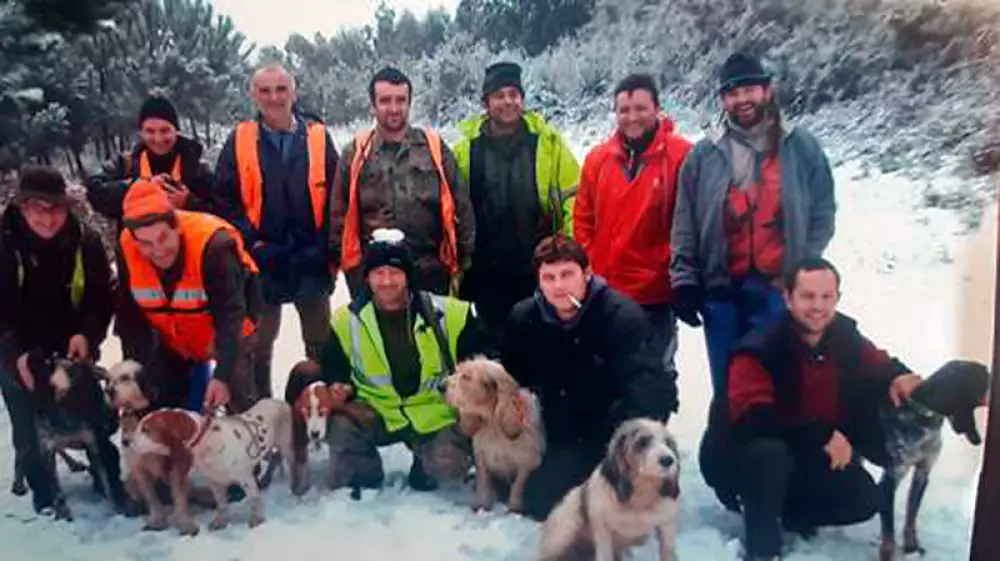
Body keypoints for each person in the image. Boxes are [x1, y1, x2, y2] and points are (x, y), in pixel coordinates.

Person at [703, 257, 923, 560]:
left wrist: (901, 375)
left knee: (863, 500)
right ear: (787, 298)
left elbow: (880, 364)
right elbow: (752, 420)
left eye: (826, 297)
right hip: (739, 459)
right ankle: (762, 546)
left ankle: (792, 512)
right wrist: (821, 435)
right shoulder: (758, 347)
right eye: (807, 296)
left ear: (837, 298)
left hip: (802, 451)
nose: (818, 307)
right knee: (766, 454)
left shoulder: (845, 335)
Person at [670, 52, 837, 396]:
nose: (741, 99)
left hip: (779, 291)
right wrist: (684, 280)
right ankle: (729, 449)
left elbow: (822, 212)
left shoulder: (800, 148)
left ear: (767, 91)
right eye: (731, 93)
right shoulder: (704, 156)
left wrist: (802, 267)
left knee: (780, 384)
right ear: (722, 101)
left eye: (749, 89)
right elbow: (685, 221)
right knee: (730, 387)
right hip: (721, 292)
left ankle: (778, 449)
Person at [284, 228, 483, 492]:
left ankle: (428, 465)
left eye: (395, 272)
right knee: (340, 427)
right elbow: (335, 369)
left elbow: (480, 365)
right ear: (367, 278)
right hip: (376, 412)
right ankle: (364, 472)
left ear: (408, 277)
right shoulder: (347, 321)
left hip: (434, 413)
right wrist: (340, 388)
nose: (386, 281)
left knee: (441, 472)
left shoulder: (450, 314)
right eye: (378, 273)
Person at [501, 235, 677, 521]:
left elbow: (650, 390)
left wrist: (621, 448)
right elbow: (512, 375)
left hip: (611, 428)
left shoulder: (621, 317)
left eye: (567, 275)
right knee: (538, 499)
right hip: (557, 425)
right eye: (549, 277)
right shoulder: (524, 318)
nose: (558, 286)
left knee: (597, 505)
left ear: (587, 272)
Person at [215, 63, 339, 400]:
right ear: (254, 95)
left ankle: (318, 408)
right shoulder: (239, 140)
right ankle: (263, 414)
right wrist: (250, 241)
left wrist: (323, 245)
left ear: (294, 92)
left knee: (320, 343)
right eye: (265, 91)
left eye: (281, 89)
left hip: (310, 259)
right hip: (260, 262)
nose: (274, 98)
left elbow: (337, 195)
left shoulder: (317, 136)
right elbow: (224, 199)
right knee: (257, 345)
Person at [0, 166, 118, 514]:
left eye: (55, 208)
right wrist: (16, 353)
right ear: (22, 207)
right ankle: (41, 487)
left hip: (71, 337)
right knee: (26, 412)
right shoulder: (4, 243)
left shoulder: (85, 239)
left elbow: (101, 295)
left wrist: (88, 334)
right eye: (38, 208)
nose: (48, 218)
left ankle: (104, 471)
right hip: (16, 336)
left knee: (94, 409)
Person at [452, 61, 579, 351]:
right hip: (486, 275)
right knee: (495, 355)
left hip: (538, 271)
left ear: (522, 99)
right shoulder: (465, 151)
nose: (508, 101)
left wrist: (568, 255)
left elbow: (576, 201)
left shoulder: (549, 144)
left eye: (514, 94)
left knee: (542, 352)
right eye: (499, 95)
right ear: (486, 102)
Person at [575, 73, 692, 380]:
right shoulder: (598, 159)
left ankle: (652, 429)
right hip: (606, 291)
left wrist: (665, 266)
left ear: (657, 108)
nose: (632, 117)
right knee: (605, 374)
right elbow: (583, 219)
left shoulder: (681, 156)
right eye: (624, 110)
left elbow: (689, 224)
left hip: (655, 293)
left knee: (653, 376)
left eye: (640, 108)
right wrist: (592, 263)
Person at [115, 180, 261, 413]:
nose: (158, 251)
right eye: (146, 244)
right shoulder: (126, 247)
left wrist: (222, 376)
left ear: (177, 226)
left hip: (228, 326)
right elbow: (130, 314)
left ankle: (253, 437)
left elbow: (230, 314)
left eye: (163, 238)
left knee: (238, 395)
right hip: (173, 333)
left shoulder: (214, 246)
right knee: (163, 395)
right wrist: (136, 370)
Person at [331, 66, 475, 298]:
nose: (394, 108)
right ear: (373, 105)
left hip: (430, 272)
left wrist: (463, 259)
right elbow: (339, 216)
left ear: (409, 103)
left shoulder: (435, 148)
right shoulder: (356, 153)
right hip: (376, 277)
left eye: (401, 100)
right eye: (385, 100)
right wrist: (354, 274)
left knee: (431, 334)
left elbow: (462, 205)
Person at [86, 95, 215, 232]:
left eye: (165, 130)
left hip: (188, 248)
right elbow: (94, 191)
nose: (158, 139)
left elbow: (222, 212)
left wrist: (190, 203)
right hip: (136, 250)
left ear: (176, 130)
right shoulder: (126, 164)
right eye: (150, 131)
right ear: (141, 133)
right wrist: (140, 189)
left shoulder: (198, 169)